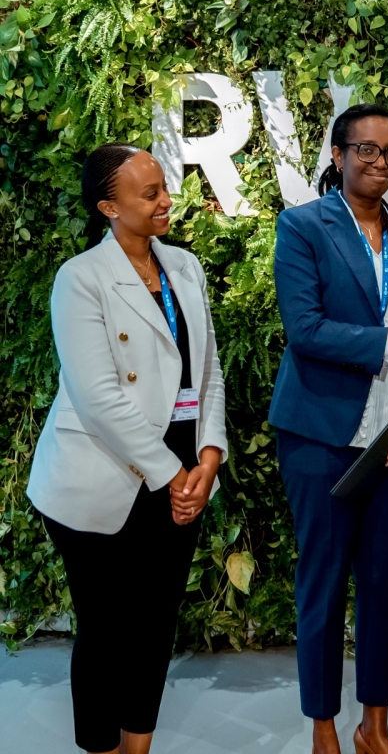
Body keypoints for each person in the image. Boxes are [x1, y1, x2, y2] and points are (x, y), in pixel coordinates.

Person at [268, 103, 388, 754]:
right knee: (323, 586)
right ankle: (323, 727)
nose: (379, 162)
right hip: (322, 438)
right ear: (337, 154)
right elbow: (308, 331)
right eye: (366, 149)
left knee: (382, 585)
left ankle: (373, 724)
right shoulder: (303, 227)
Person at [26, 144, 228, 754]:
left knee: (155, 623)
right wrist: (173, 475)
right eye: (149, 195)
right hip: (102, 473)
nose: (166, 201)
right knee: (107, 628)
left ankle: (136, 747)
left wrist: (210, 457)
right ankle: (102, 747)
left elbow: (208, 372)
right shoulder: (80, 278)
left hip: (184, 466)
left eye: (164, 188)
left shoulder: (185, 268)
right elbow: (98, 398)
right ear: (109, 207)